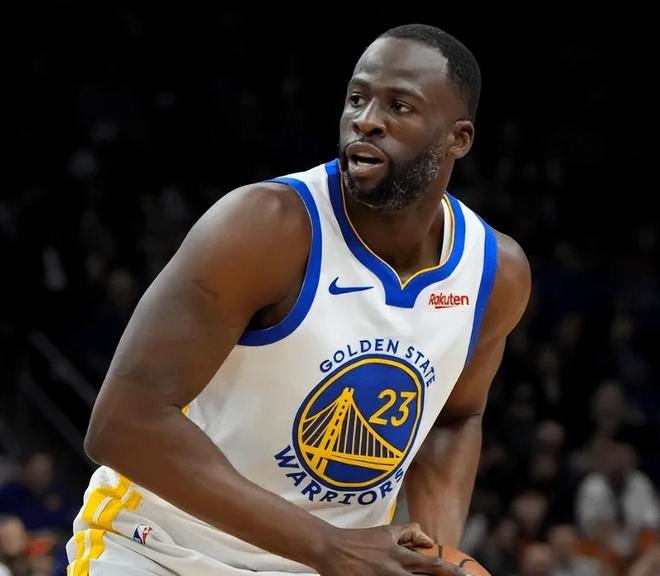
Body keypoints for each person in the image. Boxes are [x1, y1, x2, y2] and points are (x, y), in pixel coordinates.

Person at [67, 23, 531, 576]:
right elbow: (122, 423)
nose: (366, 120)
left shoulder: (495, 273)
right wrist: (327, 546)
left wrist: (434, 554)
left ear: (459, 139)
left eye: (400, 106)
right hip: (160, 547)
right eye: (357, 99)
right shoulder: (264, 226)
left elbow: (455, 419)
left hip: (322, 563)